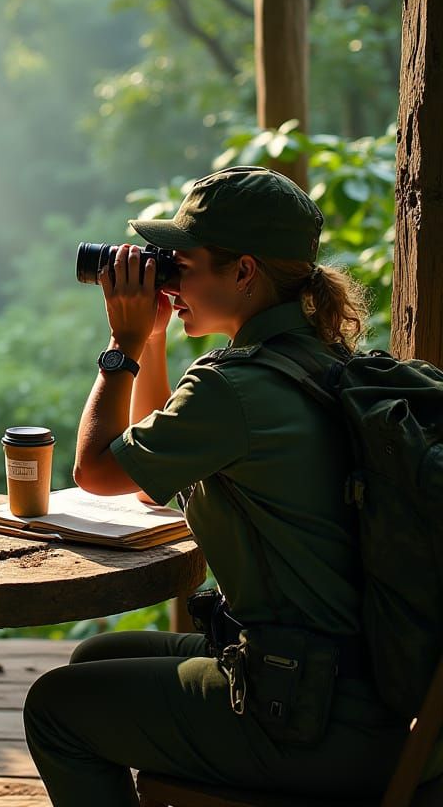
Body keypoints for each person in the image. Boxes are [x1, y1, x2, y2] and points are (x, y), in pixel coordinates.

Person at [23, 165, 408, 805]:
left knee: (58, 707)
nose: (168, 281)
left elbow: (96, 471)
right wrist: (151, 335)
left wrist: (121, 347)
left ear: (244, 272)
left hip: (312, 716)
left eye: (181, 265)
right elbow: (150, 481)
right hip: (373, 690)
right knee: (96, 658)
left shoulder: (232, 387)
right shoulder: (317, 362)